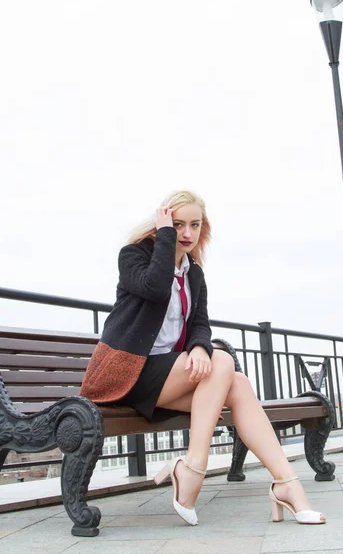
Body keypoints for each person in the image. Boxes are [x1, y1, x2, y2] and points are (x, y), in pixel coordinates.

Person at [80, 190, 326, 526]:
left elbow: (200, 324)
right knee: (223, 362)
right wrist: (164, 235)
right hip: (126, 374)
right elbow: (154, 287)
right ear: (162, 224)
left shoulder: (194, 273)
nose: (186, 233)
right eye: (178, 224)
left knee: (237, 384)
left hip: (167, 374)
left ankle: (287, 484)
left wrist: (198, 346)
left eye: (194, 225)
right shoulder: (133, 256)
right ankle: (195, 467)